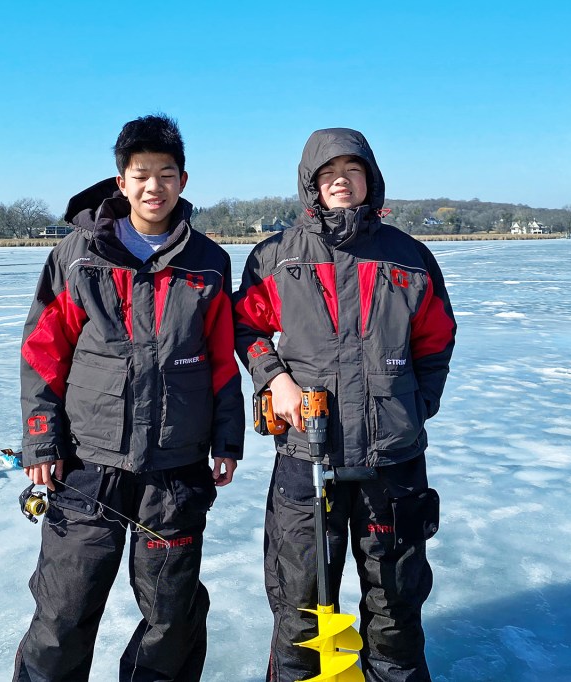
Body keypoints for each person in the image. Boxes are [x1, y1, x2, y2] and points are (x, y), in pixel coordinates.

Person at [14, 114, 244, 682]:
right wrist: (42, 438)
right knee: (64, 612)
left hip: (176, 464)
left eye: (166, 174)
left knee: (172, 616)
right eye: (142, 174)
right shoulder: (79, 254)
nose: (153, 187)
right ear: (122, 181)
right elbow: (43, 349)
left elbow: (219, 356)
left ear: (183, 181)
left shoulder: (208, 261)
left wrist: (227, 435)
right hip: (87, 463)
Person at [233, 128, 456, 681]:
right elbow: (246, 327)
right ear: (312, 185)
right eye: (328, 174)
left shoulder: (409, 258)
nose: (340, 181)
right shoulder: (276, 257)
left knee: (395, 608)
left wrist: (413, 404)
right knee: (302, 607)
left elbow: (436, 340)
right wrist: (274, 380)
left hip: (392, 461)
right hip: (308, 456)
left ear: (369, 180)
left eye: (351, 172)